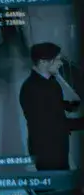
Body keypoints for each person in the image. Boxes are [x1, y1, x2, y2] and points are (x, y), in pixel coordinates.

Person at [19, 42, 84, 171]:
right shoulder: (31, 89)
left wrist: (68, 106)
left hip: (57, 143)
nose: (61, 63)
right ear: (43, 62)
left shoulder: (49, 80)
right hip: (47, 149)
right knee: (54, 180)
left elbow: (51, 105)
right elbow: (49, 124)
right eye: (58, 59)